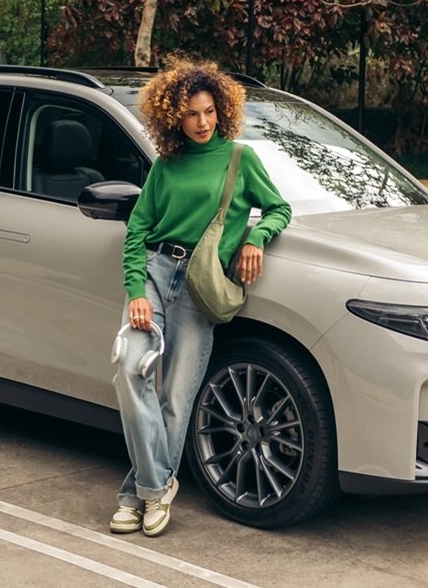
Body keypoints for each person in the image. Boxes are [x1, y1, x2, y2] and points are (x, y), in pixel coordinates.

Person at [110, 57, 292, 537]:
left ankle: (136, 494)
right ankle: (155, 490)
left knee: (177, 394)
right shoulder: (166, 166)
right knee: (130, 369)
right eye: (192, 114)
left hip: (199, 282)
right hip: (155, 274)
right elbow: (137, 230)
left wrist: (256, 239)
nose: (202, 122)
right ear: (175, 116)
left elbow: (279, 208)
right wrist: (135, 291)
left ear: (222, 110)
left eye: (209, 111)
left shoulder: (240, 159)